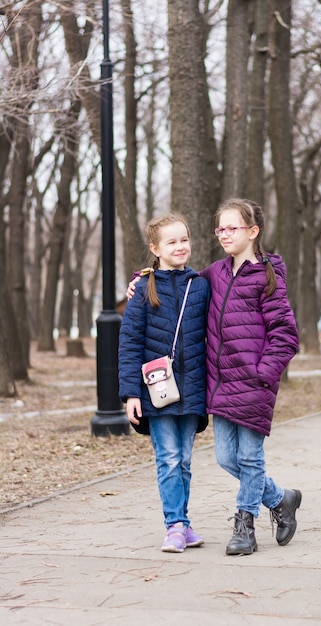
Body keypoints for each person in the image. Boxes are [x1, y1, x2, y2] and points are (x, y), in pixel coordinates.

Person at [127, 198, 301, 556]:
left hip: (253, 385)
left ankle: (245, 524)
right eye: (219, 228)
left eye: (231, 228)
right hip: (220, 386)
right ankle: (280, 498)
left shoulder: (267, 277)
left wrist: (263, 374)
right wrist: (138, 280)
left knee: (250, 458)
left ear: (252, 232)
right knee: (225, 458)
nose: (223, 234)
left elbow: (286, 334)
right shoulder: (214, 275)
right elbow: (170, 278)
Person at [118, 213, 210, 554]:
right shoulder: (143, 288)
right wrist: (129, 394)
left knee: (184, 460)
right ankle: (173, 525)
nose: (180, 246)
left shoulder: (200, 285)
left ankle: (183, 523)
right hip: (155, 391)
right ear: (155, 248)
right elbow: (129, 342)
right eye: (171, 242)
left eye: (184, 239)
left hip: (193, 388)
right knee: (168, 458)